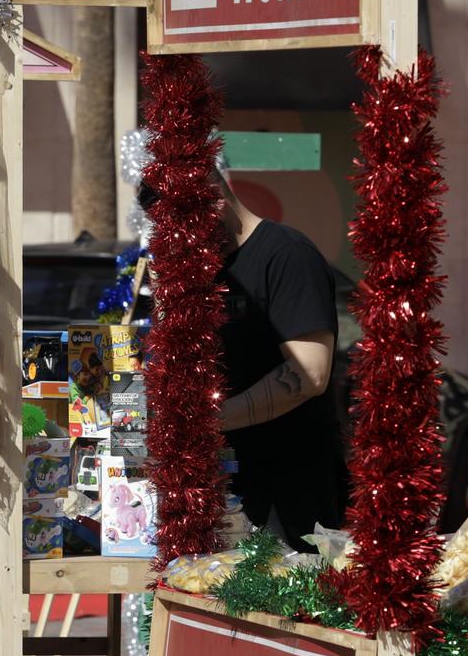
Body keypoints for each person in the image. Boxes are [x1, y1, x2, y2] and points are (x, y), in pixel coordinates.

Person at [141, 166, 346, 542]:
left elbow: (310, 374)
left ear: (215, 199)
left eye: (184, 226)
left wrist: (207, 421)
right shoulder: (201, 268)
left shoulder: (287, 256)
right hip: (220, 486)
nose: (181, 240)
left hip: (287, 491)